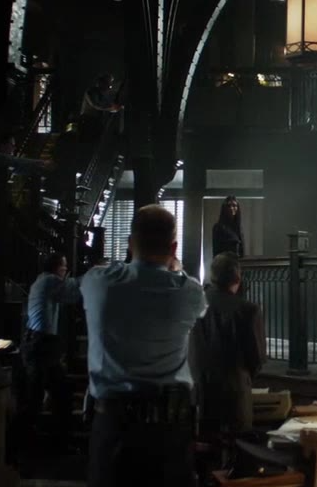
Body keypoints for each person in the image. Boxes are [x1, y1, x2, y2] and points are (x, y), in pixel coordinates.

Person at [81, 205, 207, 487]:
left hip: (113, 424)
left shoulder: (98, 283)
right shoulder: (190, 292)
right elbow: (188, 287)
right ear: (173, 247)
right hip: (169, 430)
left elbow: (107, 271)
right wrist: (175, 268)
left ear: (130, 243)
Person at [190, 253, 266, 441]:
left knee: (204, 448)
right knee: (237, 448)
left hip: (200, 394)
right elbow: (256, 359)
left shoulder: (193, 305)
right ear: (238, 278)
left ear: (212, 276)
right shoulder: (248, 310)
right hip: (234, 396)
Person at [22, 252, 81, 442]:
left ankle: (44, 437)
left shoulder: (42, 280)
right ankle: (41, 438)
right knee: (48, 392)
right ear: (56, 268)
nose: (66, 269)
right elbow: (74, 291)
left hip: (38, 341)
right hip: (42, 342)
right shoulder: (50, 281)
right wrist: (95, 276)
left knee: (45, 391)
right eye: (64, 266)